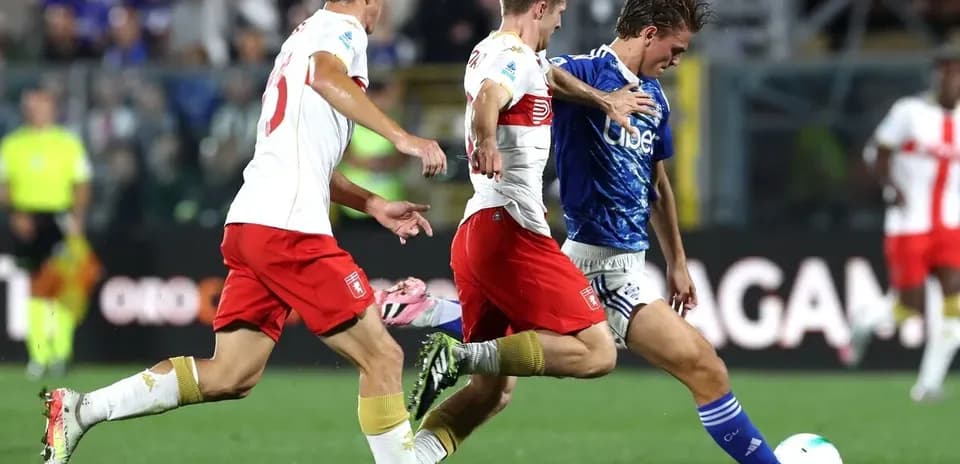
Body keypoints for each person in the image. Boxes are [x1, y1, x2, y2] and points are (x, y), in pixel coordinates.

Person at [39, 1, 448, 463]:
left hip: (255, 221)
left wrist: (372, 203)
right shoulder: (342, 29)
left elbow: (302, 155)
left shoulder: (300, 40)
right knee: (383, 357)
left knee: (231, 373)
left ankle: (82, 409)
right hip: (288, 228)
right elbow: (325, 76)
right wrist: (403, 137)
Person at [403, 1, 785, 462]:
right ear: (649, 34)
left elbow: (656, 185)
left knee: (492, 393)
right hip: (601, 265)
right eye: (675, 49)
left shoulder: (655, 99)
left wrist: (678, 262)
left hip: (623, 261)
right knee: (704, 369)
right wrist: (596, 100)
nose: (676, 61)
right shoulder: (577, 70)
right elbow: (521, 78)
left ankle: (433, 320)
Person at [404, 0, 660, 461]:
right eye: (559, 11)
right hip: (511, 230)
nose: (561, 22)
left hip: (476, 232)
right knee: (598, 353)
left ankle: (406, 459)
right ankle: (457, 355)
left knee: (490, 393)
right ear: (540, 7)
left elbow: (548, 76)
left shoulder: (497, 51)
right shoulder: (513, 58)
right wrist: (487, 140)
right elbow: (490, 96)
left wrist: (604, 99)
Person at [843, 46, 960, 402]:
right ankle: (864, 320)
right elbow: (878, 153)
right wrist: (891, 187)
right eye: (946, 71)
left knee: (954, 302)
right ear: (935, 75)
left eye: (957, 72)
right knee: (909, 307)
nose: (951, 79)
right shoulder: (909, 112)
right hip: (909, 224)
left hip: (951, 225)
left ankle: (928, 385)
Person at [0, 88, 94, 380]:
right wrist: (15, 214)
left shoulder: (68, 143)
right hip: (26, 219)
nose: (37, 112)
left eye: (42, 106)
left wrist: (77, 218)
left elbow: (82, 183)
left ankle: (61, 353)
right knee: (35, 287)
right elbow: (4, 184)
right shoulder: (13, 144)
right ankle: (38, 355)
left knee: (63, 287)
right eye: (32, 106)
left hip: (59, 218)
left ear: (53, 109)